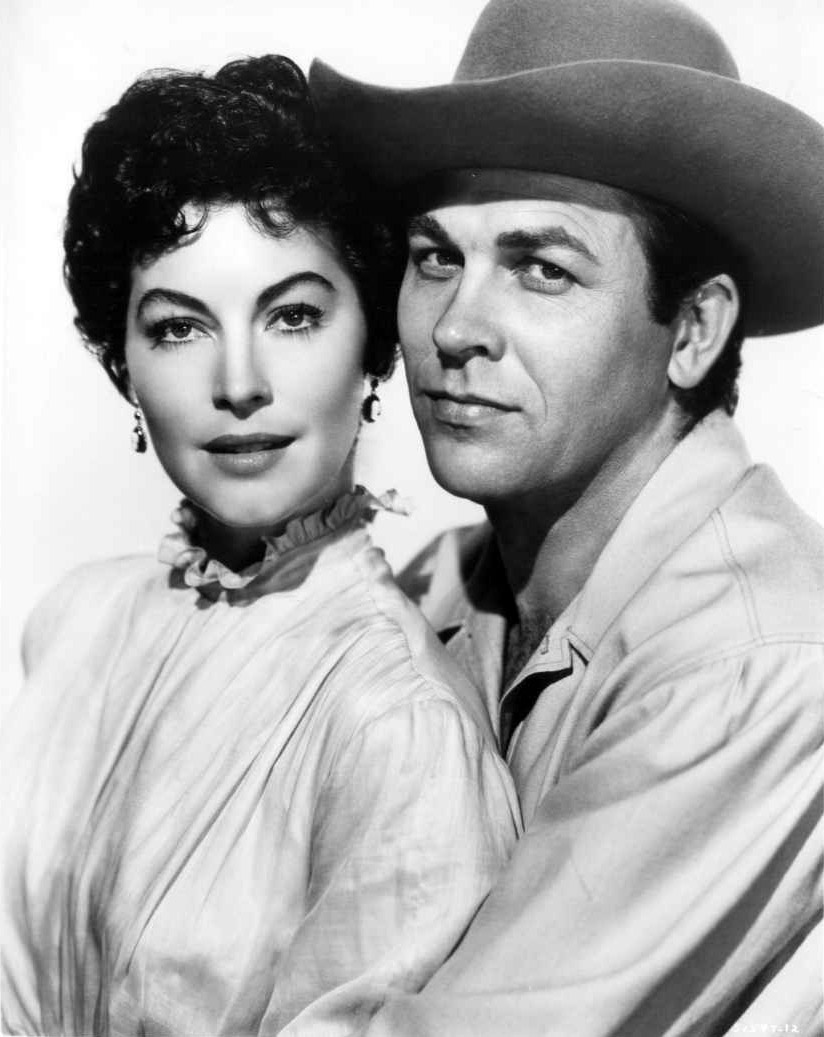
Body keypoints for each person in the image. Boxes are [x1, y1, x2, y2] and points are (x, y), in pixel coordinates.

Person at [309, 0, 824, 1033]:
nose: (456, 328)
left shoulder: (752, 664)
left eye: (542, 269)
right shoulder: (440, 588)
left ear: (694, 329)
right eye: (435, 256)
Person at [0, 55, 521, 1037]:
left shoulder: (398, 727)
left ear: (373, 346)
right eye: (178, 327)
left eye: (293, 316)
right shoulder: (73, 622)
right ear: (123, 367)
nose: (238, 381)